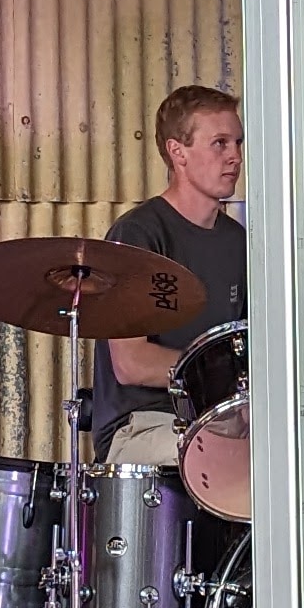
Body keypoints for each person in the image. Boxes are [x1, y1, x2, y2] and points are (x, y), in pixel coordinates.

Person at [91, 83, 248, 465]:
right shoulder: (139, 233)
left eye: (238, 143)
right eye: (220, 143)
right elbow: (131, 364)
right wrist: (225, 384)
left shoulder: (239, 241)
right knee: (243, 462)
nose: (235, 157)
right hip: (143, 427)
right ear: (177, 151)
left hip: (219, 421)